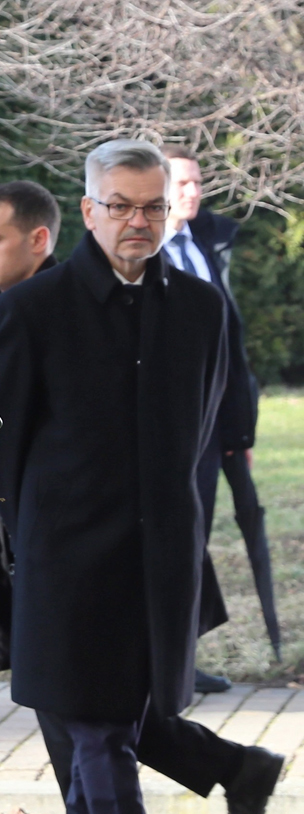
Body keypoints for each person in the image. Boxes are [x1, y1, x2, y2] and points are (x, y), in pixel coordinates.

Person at [0, 181, 285, 814]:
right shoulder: (13, 308)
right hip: (37, 536)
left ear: (39, 239)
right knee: (74, 702)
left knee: (90, 708)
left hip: (95, 547)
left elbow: (62, 436)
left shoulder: (79, 311)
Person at [0, 140, 225, 814]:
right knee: (101, 730)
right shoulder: (33, 309)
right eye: (120, 205)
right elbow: (2, 446)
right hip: (69, 561)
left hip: (160, 562)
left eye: (153, 206)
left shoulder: (199, 307)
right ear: (87, 210)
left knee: (111, 725)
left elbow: (201, 427)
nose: (138, 221)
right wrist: (41, 535)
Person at [163, 145, 261, 698]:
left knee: (195, 538)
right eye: (182, 184)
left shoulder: (204, 246)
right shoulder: (145, 253)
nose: (193, 193)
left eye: (198, 183)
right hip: (171, 429)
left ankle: (181, 662)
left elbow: (229, 345)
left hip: (212, 429)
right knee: (175, 538)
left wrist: (237, 430)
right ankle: (166, 666)